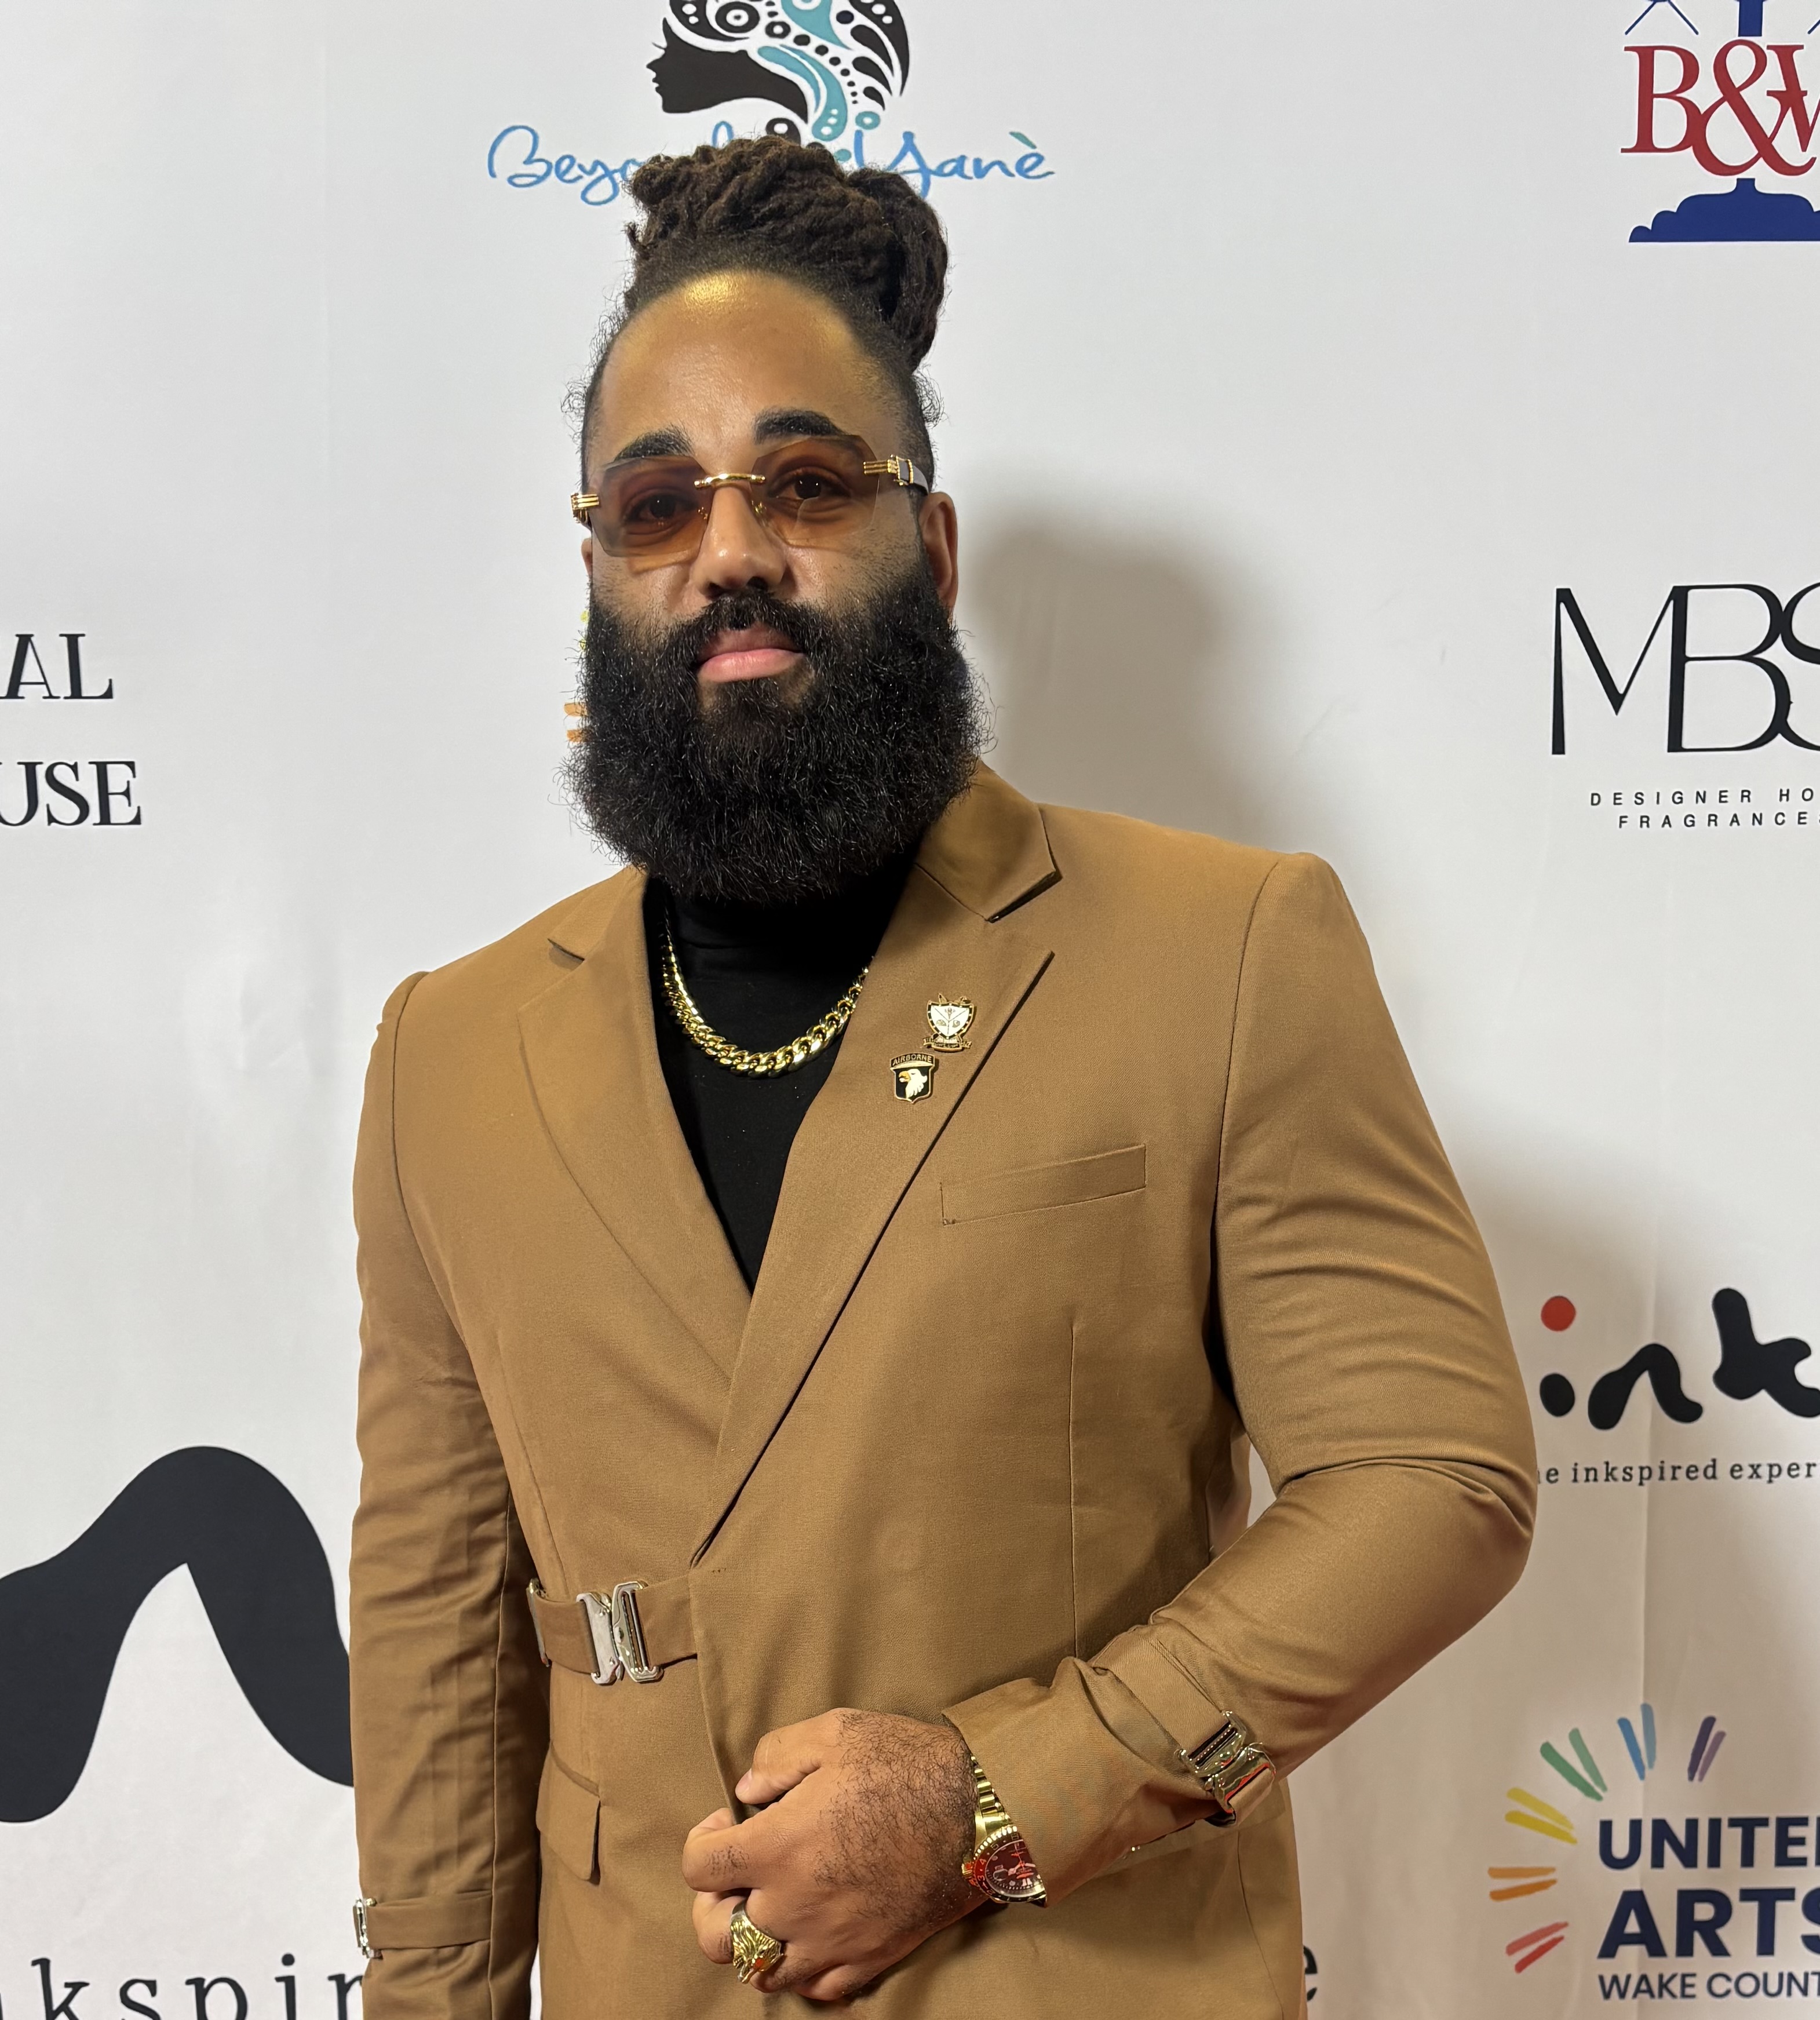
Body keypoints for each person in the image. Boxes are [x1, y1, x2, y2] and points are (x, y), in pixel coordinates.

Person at [347, 136, 1536, 2017]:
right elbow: (435, 1627)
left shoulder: (1223, 951)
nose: (730, 548)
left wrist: (991, 1800)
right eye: (657, 507)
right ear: (600, 568)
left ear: (934, 542)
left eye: (806, 483)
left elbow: (1432, 1476)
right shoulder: (449, 1053)